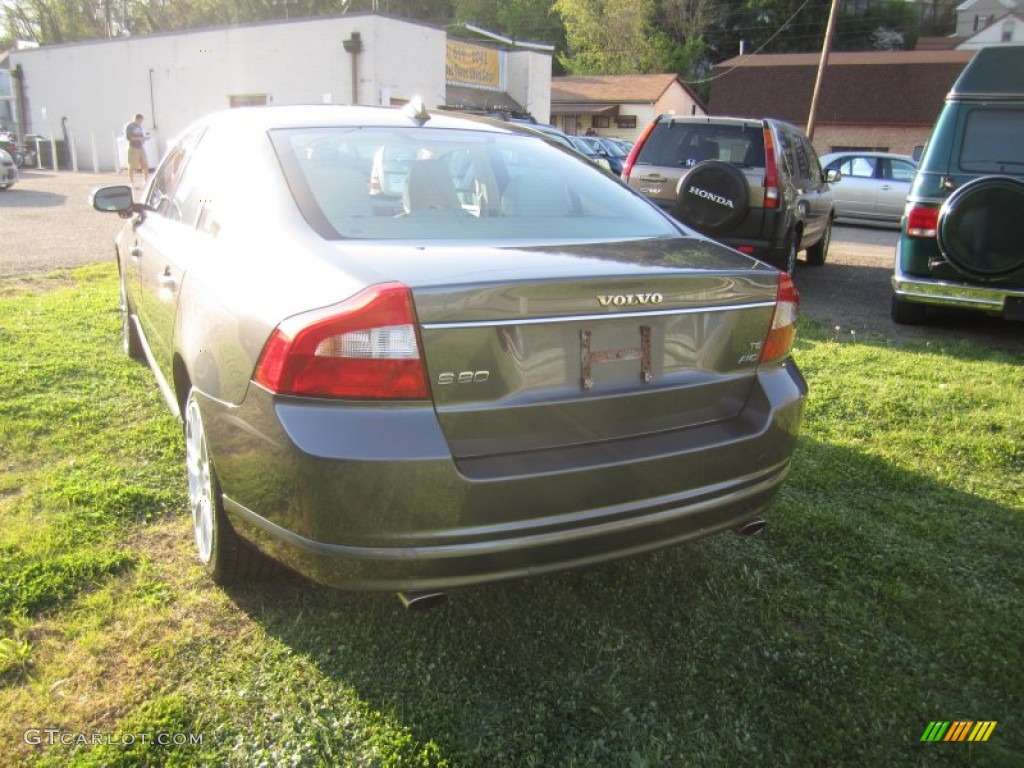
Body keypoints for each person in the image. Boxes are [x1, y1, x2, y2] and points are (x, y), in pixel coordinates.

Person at [126, 114, 149, 188]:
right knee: (132, 166)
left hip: (141, 147)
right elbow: (129, 137)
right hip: (133, 148)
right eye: (140, 121)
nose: (141, 122)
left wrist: (144, 138)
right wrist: (139, 138)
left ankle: (146, 181)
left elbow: (142, 136)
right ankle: (131, 182)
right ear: (136, 119)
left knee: (145, 165)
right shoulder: (130, 127)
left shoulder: (140, 127)